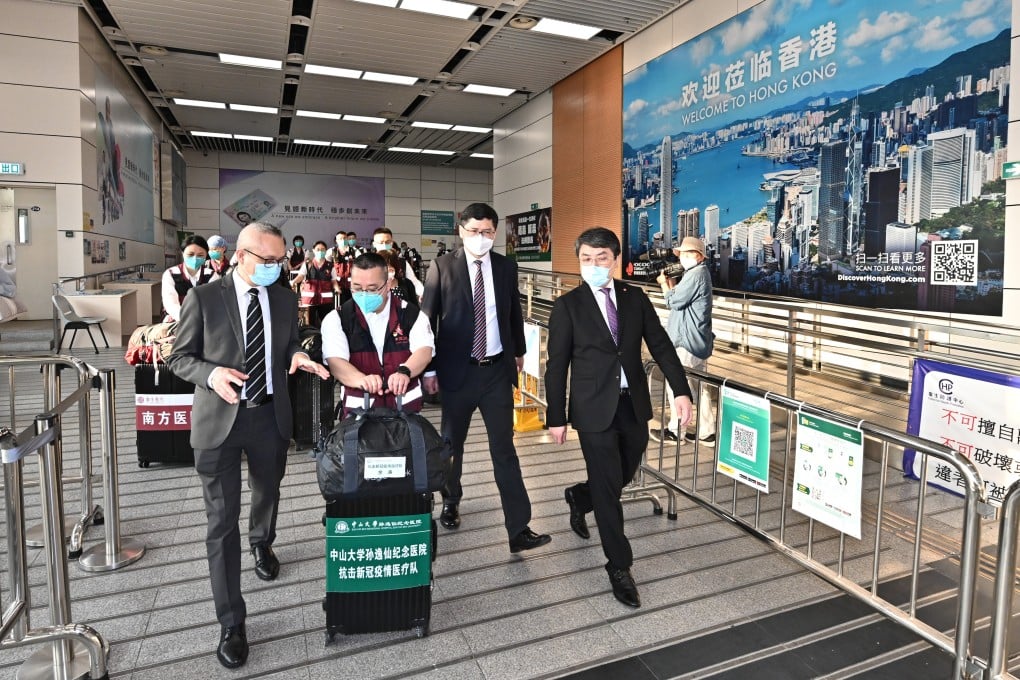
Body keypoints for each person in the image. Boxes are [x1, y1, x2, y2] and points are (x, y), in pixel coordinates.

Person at [166, 222, 331, 669]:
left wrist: (298, 357)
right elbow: (178, 357)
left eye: (280, 262)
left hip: (268, 414)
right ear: (240, 255)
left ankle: (263, 541)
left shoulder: (281, 296)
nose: (275, 269)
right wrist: (212, 374)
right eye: (268, 261)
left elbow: (288, 345)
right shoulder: (203, 297)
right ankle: (231, 622)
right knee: (221, 522)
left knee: (268, 488)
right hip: (218, 421)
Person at [545, 226, 693, 609]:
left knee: (623, 473)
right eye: (586, 260)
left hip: (633, 405)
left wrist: (680, 390)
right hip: (592, 409)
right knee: (610, 491)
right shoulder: (569, 306)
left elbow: (659, 344)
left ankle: (580, 496)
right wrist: (556, 416)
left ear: (614, 260)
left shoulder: (634, 298)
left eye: (601, 259)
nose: (593, 266)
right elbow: (556, 365)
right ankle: (619, 567)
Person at [420, 202, 551, 554]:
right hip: (457, 372)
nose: (482, 238)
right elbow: (426, 321)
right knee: (452, 445)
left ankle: (518, 527)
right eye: (475, 231)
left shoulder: (506, 267)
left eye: (488, 232)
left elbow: (513, 313)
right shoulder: (441, 266)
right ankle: (451, 499)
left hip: (495, 371)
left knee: (504, 449)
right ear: (461, 231)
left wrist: (520, 353)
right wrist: (429, 369)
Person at [321, 252, 434, 417]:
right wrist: (360, 379)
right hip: (359, 416)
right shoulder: (338, 318)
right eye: (357, 288)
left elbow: (424, 351)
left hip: (405, 413)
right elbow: (335, 361)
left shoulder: (411, 314)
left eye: (373, 289)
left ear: (388, 284)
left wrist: (405, 371)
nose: (364, 294)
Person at [654, 236, 717, 443]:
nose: (682, 258)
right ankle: (707, 432)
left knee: (677, 385)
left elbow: (673, 301)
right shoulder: (699, 273)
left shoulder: (695, 275)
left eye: (686, 254)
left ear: (698, 256)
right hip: (698, 341)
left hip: (687, 342)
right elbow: (682, 299)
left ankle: (676, 431)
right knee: (700, 387)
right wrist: (671, 284)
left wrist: (664, 284)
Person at [161, 235, 219, 322]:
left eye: (200, 255)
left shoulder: (211, 276)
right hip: (177, 322)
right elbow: (171, 304)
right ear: (183, 253)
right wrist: (187, 320)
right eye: (190, 254)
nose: (195, 258)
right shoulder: (171, 274)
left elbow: (213, 303)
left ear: (206, 256)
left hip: (204, 322)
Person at [372, 227, 423, 299]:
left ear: (392, 243)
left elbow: (414, 282)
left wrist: (422, 293)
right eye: (381, 242)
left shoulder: (402, 263)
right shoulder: (368, 263)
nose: (384, 245)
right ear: (374, 244)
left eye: (387, 242)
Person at [291, 240, 334, 326]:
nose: (320, 251)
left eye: (322, 249)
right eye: (318, 249)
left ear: (326, 251)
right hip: (310, 300)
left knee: (328, 323)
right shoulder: (307, 264)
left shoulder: (330, 265)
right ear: (313, 250)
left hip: (325, 301)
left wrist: (337, 288)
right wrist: (293, 282)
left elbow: (334, 280)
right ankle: (311, 339)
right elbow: (301, 276)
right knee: (310, 324)